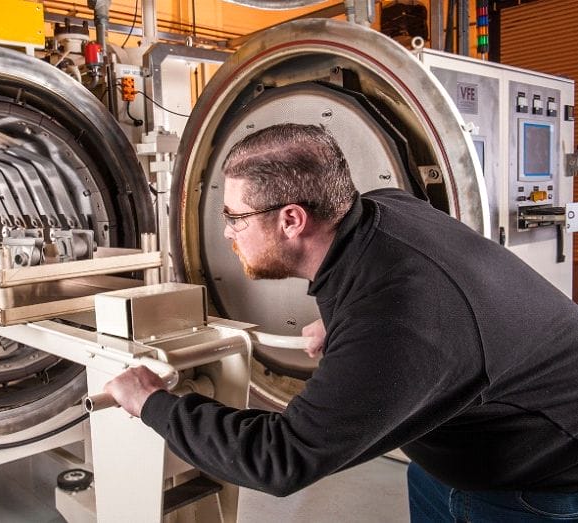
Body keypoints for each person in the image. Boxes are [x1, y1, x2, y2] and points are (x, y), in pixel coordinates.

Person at [104, 123, 578, 521]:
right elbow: (425, 302)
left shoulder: (395, 320)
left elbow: (280, 459)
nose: (228, 232)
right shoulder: (384, 208)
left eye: (236, 217)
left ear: (292, 219)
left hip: (534, 485)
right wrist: (341, 321)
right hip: (455, 449)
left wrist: (151, 402)